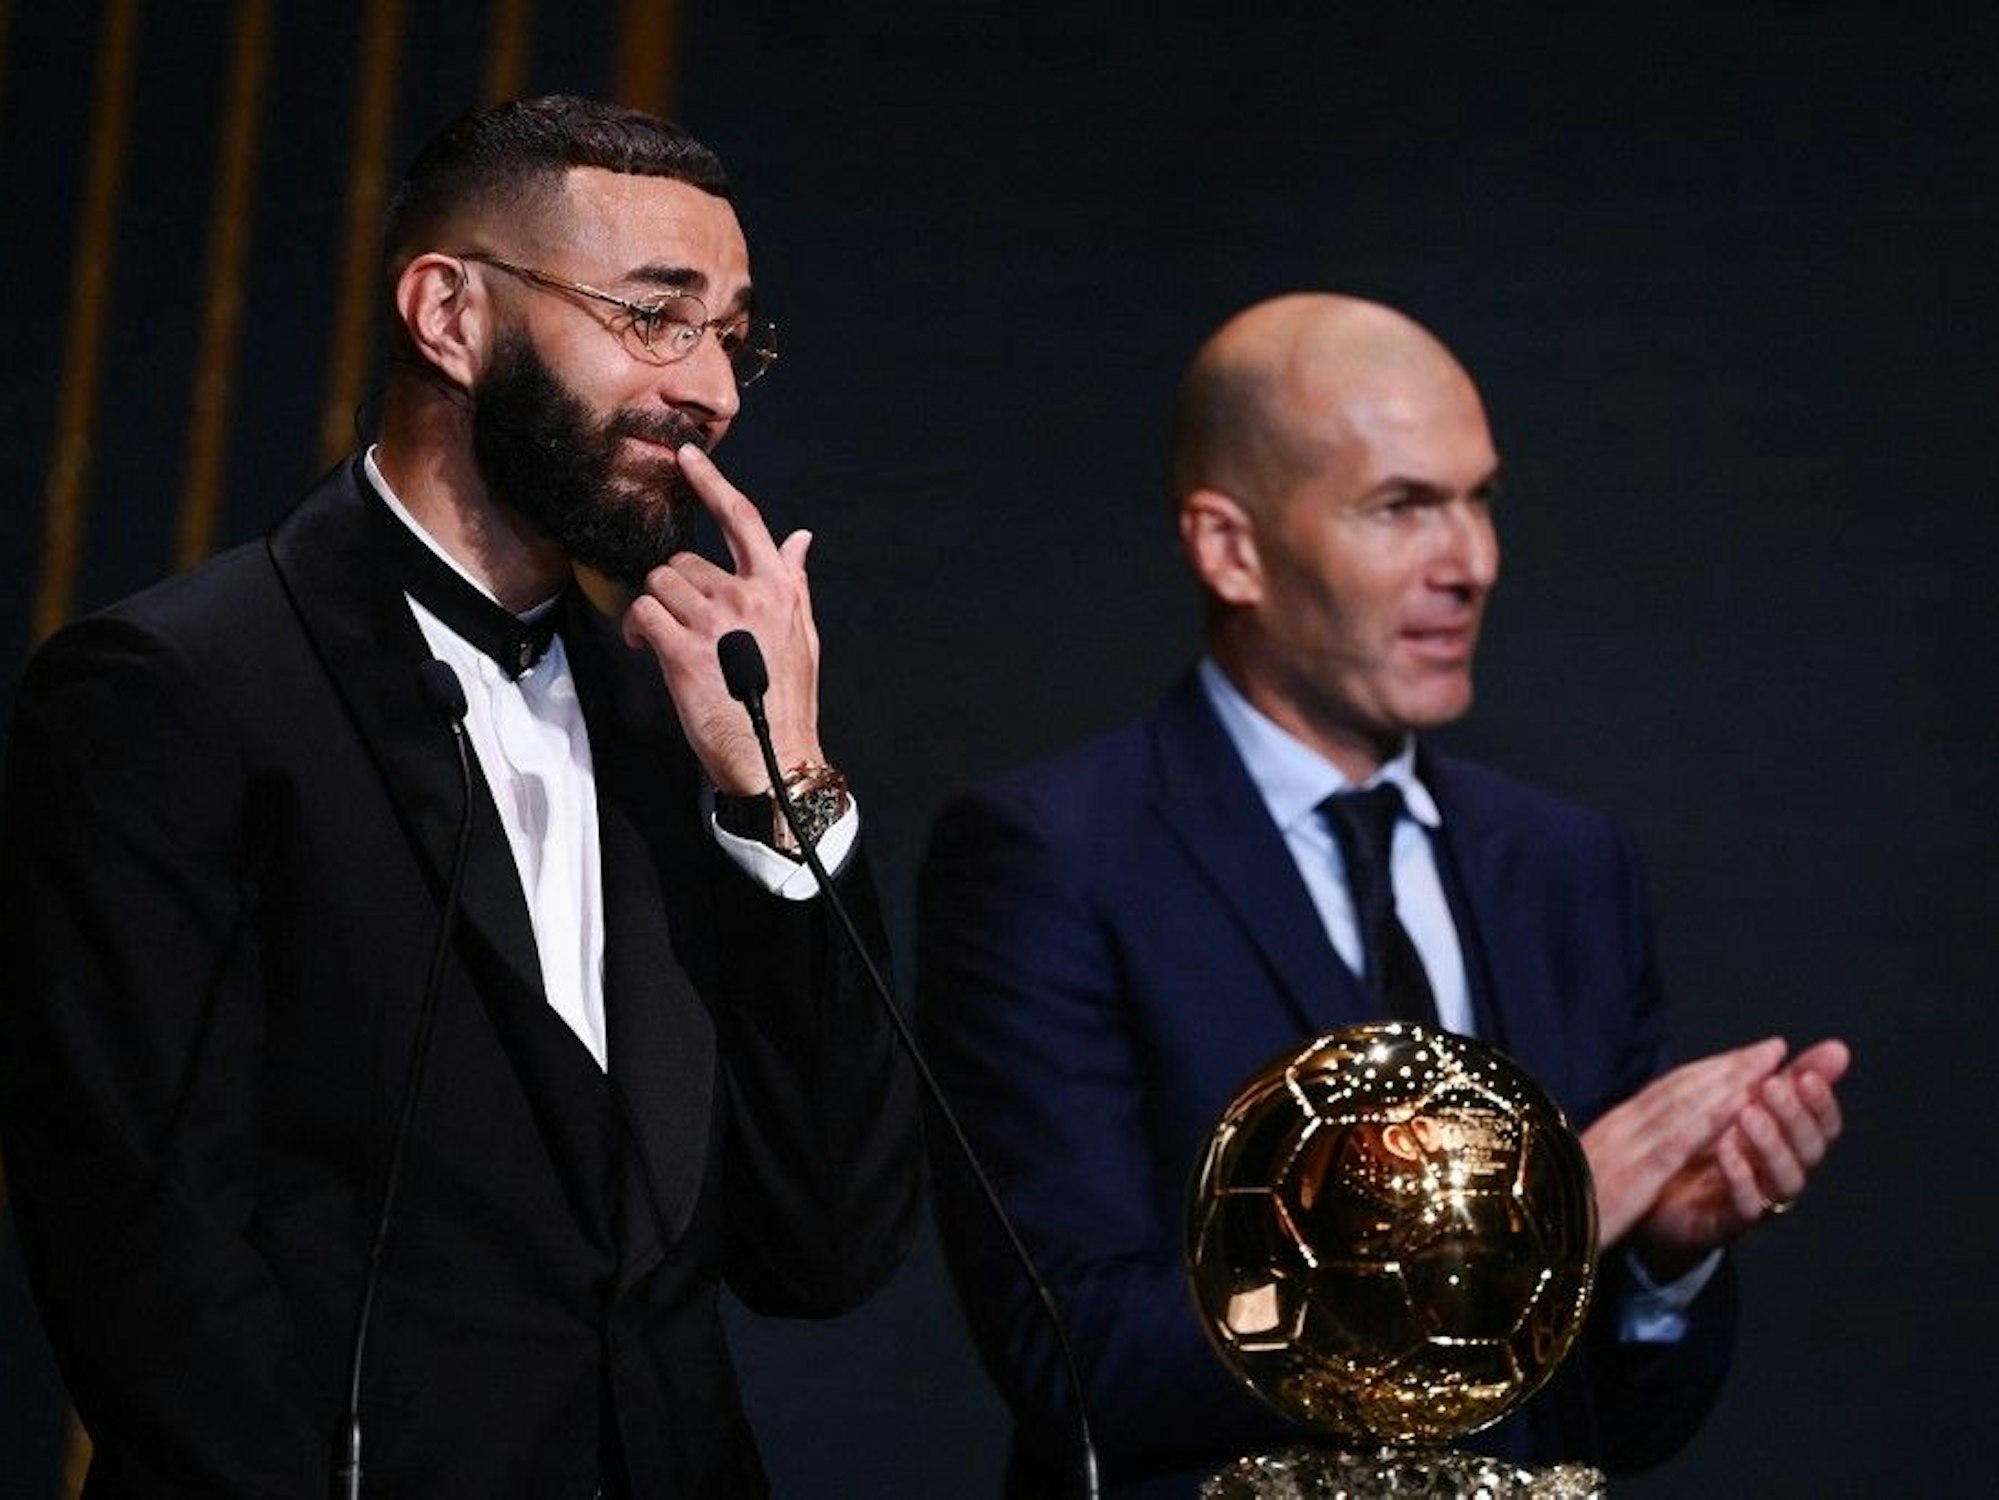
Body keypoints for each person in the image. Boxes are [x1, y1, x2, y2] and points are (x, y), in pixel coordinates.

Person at [0, 95, 920, 1498]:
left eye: (733, 336)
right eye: (656, 315)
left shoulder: (674, 726)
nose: (714, 392)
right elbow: (147, 1262)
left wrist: (783, 797)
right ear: (448, 314)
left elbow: (828, 1248)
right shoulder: (175, 689)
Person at [916, 293, 1848, 1498]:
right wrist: (1541, 1219)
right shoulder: (1050, 858)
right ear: (1228, 547)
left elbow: (1615, 1423)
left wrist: (1662, 1255)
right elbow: (1080, 1357)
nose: (1470, 565)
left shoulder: (1567, 866)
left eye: (1481, 499)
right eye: (1403, 507)